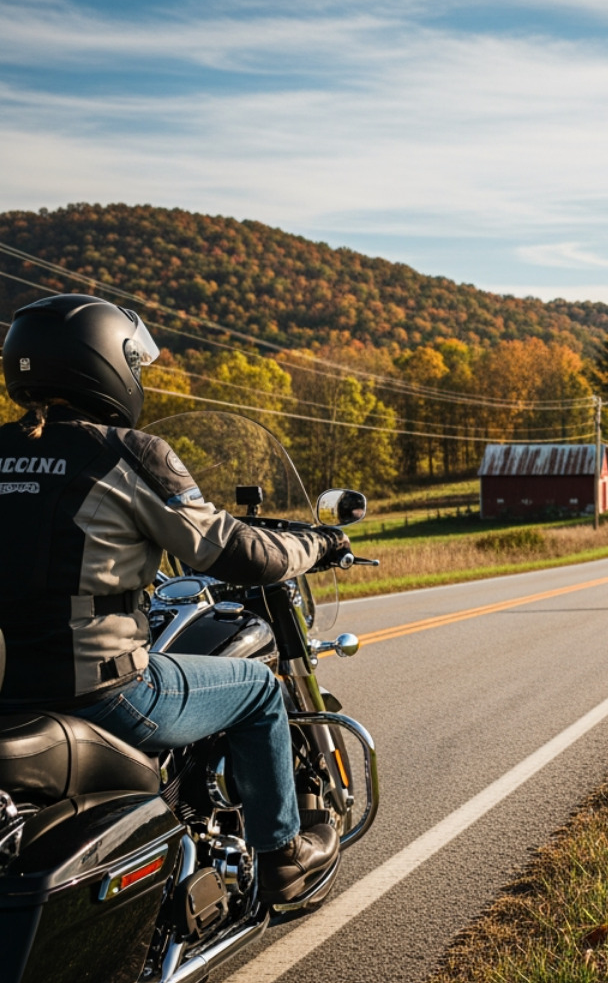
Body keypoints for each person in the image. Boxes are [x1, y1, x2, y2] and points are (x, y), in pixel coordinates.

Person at [0, 294, 351, 904]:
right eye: (135, 364)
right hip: (105, 695)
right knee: (260, 688)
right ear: (108, 363)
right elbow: (237, 553)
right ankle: (283, 855)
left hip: (10, 694)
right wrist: (316, 546)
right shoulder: (126, 454)